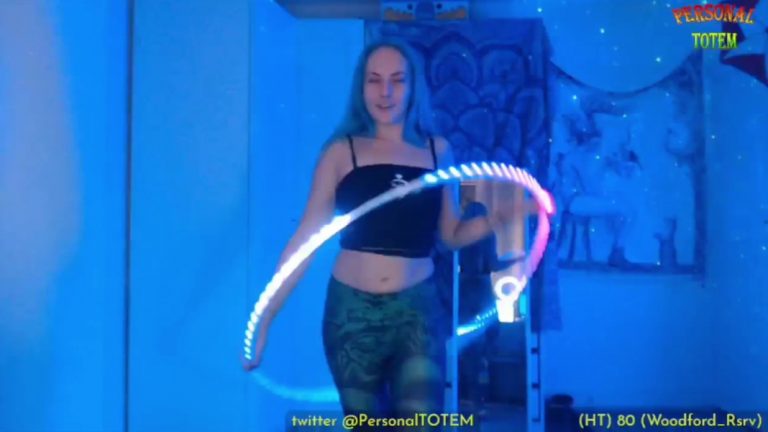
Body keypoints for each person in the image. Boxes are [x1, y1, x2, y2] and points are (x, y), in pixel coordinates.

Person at [242, 39, 529, 424]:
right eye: (374, 80)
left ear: (413, 87)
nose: (386, 91)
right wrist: (265, 319)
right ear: (361, 88)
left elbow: (450, 235)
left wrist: (501, 217)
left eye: (397, 79)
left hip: (417, 312)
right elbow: (304, 243)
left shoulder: (437, 151)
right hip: (352, 315)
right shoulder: (341, 152)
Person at [457, 201, 522, 414]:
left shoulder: (459, 235)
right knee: (488, 335)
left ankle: (467, 396)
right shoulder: (487, 235)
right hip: (481, 288)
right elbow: (493, 264)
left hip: (463, 288)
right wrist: (516, 259)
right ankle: (477, 400)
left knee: (468, 344)